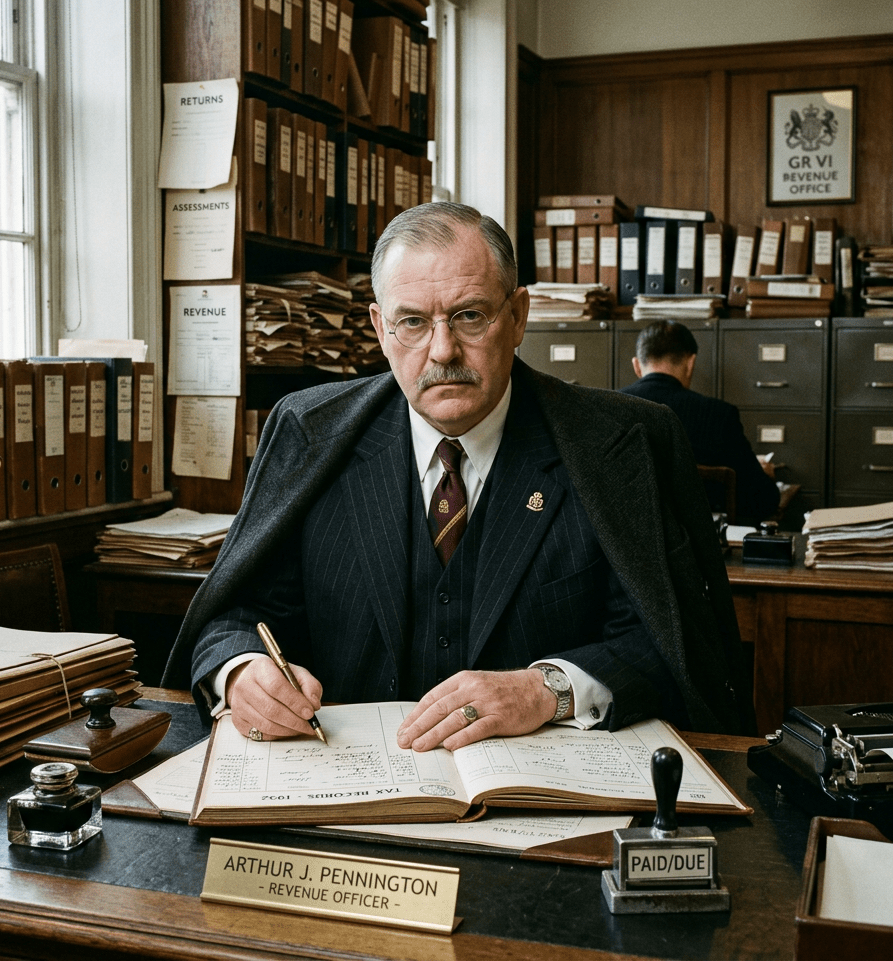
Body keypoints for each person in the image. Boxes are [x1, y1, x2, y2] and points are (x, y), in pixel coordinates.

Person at [162, 203, 754, 749]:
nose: (442, 349)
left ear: (518, 316)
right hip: (349, 804)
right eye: (412, 322)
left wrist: (549, 690)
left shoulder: (624, 444)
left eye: (469, 316)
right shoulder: (308, 430)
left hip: (543, 804)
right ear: (378, 328)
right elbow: (235, 615)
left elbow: (669, 646)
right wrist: (241, 673)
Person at [619, 319, 780, 525]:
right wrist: (765, 475)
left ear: (637, 366)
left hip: (629, 541)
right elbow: (762, 501)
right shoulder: (718, 414)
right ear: (690, 363)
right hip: (700, 545)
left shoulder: (609, 409)